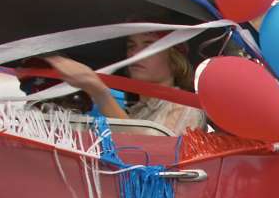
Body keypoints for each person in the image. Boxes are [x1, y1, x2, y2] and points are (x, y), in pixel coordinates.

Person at [46, 32, 205, 135]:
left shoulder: (186, 109)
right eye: (131, 46)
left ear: (174, 59)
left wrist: (98, 91)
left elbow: (152, 155)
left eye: (149, 45)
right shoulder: (136, 111)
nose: (135, 53)